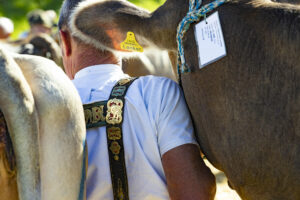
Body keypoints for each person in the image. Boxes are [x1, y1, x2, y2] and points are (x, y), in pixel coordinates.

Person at [58, 0, 216, 199]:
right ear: (120, 35)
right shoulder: (157, 93)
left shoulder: (41, 109)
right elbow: (194, 192)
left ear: (64, 41)